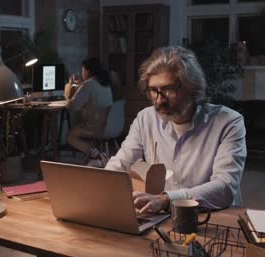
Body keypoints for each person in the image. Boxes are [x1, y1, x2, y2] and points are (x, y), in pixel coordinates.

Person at [104, 46, 246, 213]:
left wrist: (166, 199)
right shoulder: (145, 119)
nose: (159, 100)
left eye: (169, 90)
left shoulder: (228, 122)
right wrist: (103, 183)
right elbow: (122, 163)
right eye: (153, 91)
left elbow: (225, 187)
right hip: (161, 216)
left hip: (212, 217)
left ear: (192, 87)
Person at [64, 57, 113, 166]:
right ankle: (97, 153)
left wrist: (68, 92)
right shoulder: (104, 83)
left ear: (88, 71)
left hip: (93, 127)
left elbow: (72, 107)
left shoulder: (88, 85)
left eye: (82, 70)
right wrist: (81, 85)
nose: (82, 73)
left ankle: (97, 154)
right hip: (109, 126)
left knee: (70, 137)